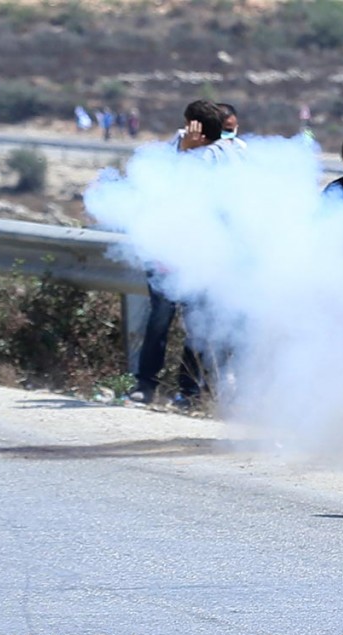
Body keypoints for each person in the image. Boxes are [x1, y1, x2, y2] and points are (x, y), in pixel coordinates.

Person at [128, 100, 232, 408]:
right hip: (166, 249)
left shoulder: (220, 157)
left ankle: (188, 392)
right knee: (160, 319)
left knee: (196, 324)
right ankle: (146, 385)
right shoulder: (177, 146)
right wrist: (184, 149)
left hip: (197, 252)